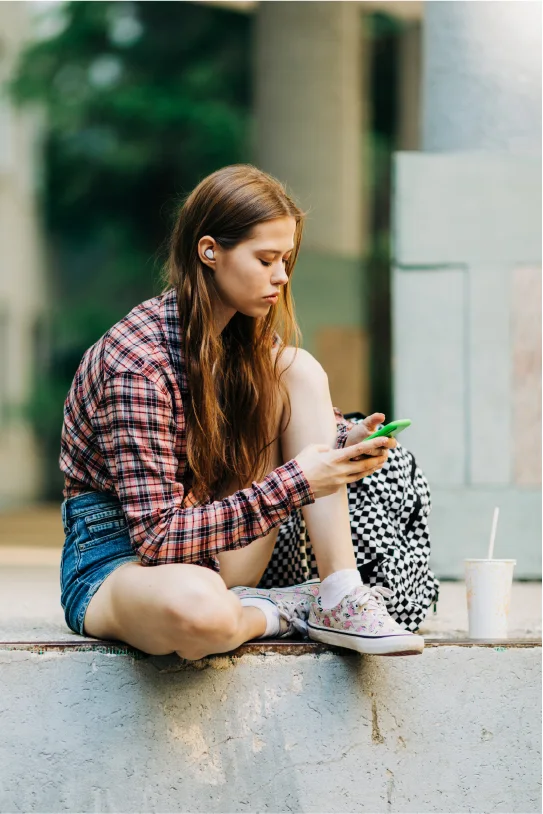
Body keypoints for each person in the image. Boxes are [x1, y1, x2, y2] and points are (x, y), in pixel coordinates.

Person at [59, 163, 424, 660]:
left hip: (217, 548)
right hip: (120, 560)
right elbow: (156, 538)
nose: (281, 277)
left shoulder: (244, 336)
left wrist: (345, 442)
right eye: (266, 259)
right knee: (199, 614)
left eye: (286, 260)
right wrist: (298, 480)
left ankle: (339, 592)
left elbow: (295, 438)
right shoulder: (137, 364)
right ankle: (285, 608)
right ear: (209, 251)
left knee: (297, 367)